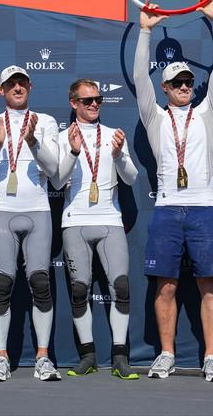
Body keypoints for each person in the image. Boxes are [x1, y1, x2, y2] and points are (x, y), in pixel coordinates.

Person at [134, 0, 213, 382]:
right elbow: (140, 76)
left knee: (210, 284)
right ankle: (167, 354)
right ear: (166, 88)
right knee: (166, 285)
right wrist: (144, 32)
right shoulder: (154, 117)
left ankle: (211, 356)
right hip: (168, 209)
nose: (186, 85)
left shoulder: (208, 111)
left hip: (205, 207)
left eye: (189, 80)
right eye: (178, 82)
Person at [0, 65, 60, 382]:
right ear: (1, 90)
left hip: (37, 209)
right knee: (3, 284)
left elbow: (55, 171)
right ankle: (1, 358)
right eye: (11, 84)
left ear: (30, 86)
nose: (17, 87)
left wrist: (34, 140)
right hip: (1, 212)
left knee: (40, 282)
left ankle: (43, 358)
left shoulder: (46, 122)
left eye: (22, 82)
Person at [53, 79, 139, 380]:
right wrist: (74, 152)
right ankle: (87, 355)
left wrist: (118, 156)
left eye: (98, 100)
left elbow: (131, 178)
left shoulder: (114, 136)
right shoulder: (64, 137)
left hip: (110, 221)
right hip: (75, 222)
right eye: (87, 100)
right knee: (79, 290)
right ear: (73, 103)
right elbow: (57, 182)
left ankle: (120, 357)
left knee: (122, 288)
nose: (94, 105)